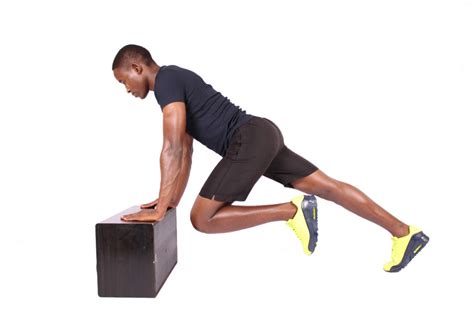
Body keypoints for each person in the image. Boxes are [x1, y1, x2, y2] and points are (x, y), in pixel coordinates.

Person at [112, 44, 429, 272]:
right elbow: (186, 153)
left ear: (137, 68)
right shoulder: (175, 83)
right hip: (262, 134)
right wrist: (167, 203)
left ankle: (291, 211)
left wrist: (161, 210)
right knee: (329, 187)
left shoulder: (166, 82)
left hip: (248, 139)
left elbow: (172, 150)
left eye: (124, 81)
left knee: (202, 219)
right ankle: (404, 233)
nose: (126, 89)